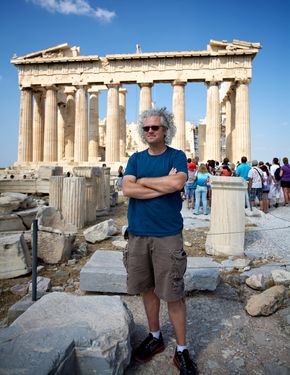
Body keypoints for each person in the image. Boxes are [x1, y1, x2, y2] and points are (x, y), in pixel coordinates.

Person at [122, 107, 197, 374]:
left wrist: (144, 181)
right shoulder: (135, 158)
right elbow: (127, 188)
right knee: (148, 289)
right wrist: (159, 183)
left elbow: (176, 185)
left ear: (166, 130)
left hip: (168, 235)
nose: (150, 131)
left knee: (174, 293)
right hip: (138, 234)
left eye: (155, 127)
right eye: (146, 128)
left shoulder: (177, 155)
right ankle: (155, 336)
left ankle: (182, 350)